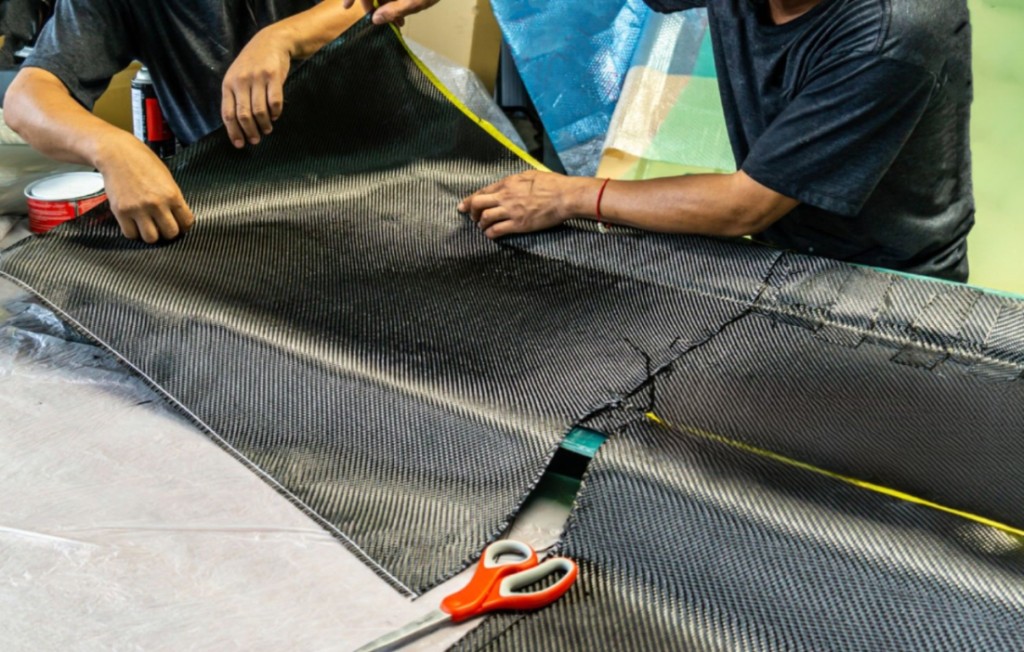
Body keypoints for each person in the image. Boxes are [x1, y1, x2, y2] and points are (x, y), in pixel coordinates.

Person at [459, 0, 974, 282]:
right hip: (779, 249)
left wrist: (571, 196)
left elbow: (745, 206)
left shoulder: (896, 29)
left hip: (885, 275)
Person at [4, 0, 439, 244]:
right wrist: (112, 149)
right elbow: (27, 98)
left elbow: (372, 3)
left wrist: (282, 37)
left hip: (389, 178)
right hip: (239, 203)